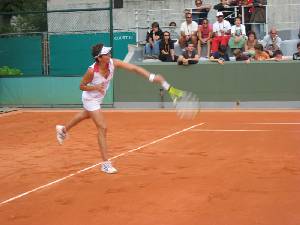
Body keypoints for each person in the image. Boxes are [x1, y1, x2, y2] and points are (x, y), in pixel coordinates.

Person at [56, 43, 178, 174]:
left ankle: (62, 129)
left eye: (109, 53)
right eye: (106, 54)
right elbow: (82, 86)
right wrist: (95, 87)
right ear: (99, 58)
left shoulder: (113, 63)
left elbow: (133, 68)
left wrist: (152, 77)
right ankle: (105, 164)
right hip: (90, 98)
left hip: (98, 98)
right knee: (102, 127)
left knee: (85, 115)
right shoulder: (92, 71)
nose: (109, 55)